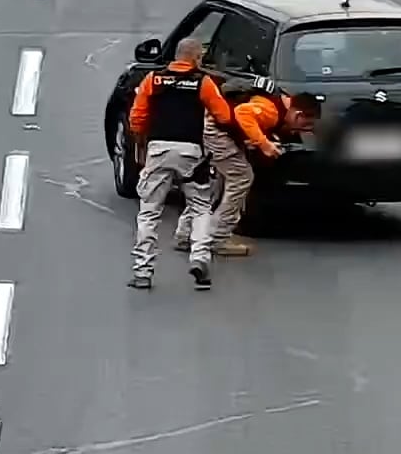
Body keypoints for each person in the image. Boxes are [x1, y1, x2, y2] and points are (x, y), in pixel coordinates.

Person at [126, 37, 232, 291]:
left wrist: (141, 142)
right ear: (195, 57)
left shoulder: (154, 80)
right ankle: (200, 259)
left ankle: (143, 270)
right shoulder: (203, 82)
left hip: (158, 150)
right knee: (200, 207)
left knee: (149, 211)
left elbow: (137, 117)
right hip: (191, 153)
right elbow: (224, 115)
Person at [172, 91, 321, 255]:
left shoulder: (277, 103)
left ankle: (185, 234)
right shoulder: (271, 111)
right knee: (241, 177)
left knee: (217, 184)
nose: (299, 131)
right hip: (218, 132)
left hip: (215, 126)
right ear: (298, 115)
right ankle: (219, 238)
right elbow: (242, 113)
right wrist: (265, 145)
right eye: (305, 125)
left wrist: (258, 140)